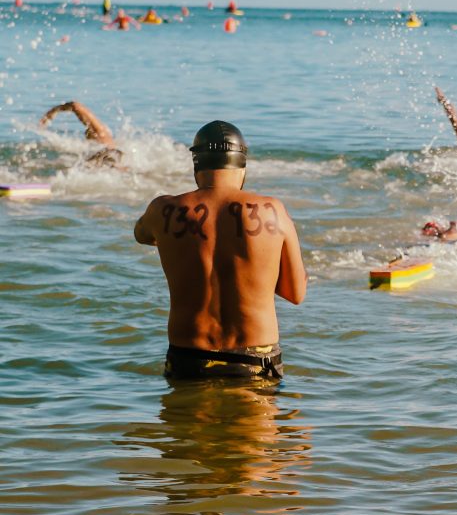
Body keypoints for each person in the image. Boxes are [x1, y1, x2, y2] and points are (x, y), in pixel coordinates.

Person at [134, 121, 307, 380]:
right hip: (256, 361)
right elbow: (295, 293)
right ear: (242, 165)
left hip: (188, 359)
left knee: (182, 421)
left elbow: (142, 235)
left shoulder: (162, 210)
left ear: (196, 164)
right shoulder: (273, 211)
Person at [39, 101, 124, 167]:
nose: (86, 133)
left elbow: (75, 105)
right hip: (110, 156)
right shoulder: (108, 142)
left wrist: (52, 111)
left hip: (105, 155)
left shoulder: (101, 133)